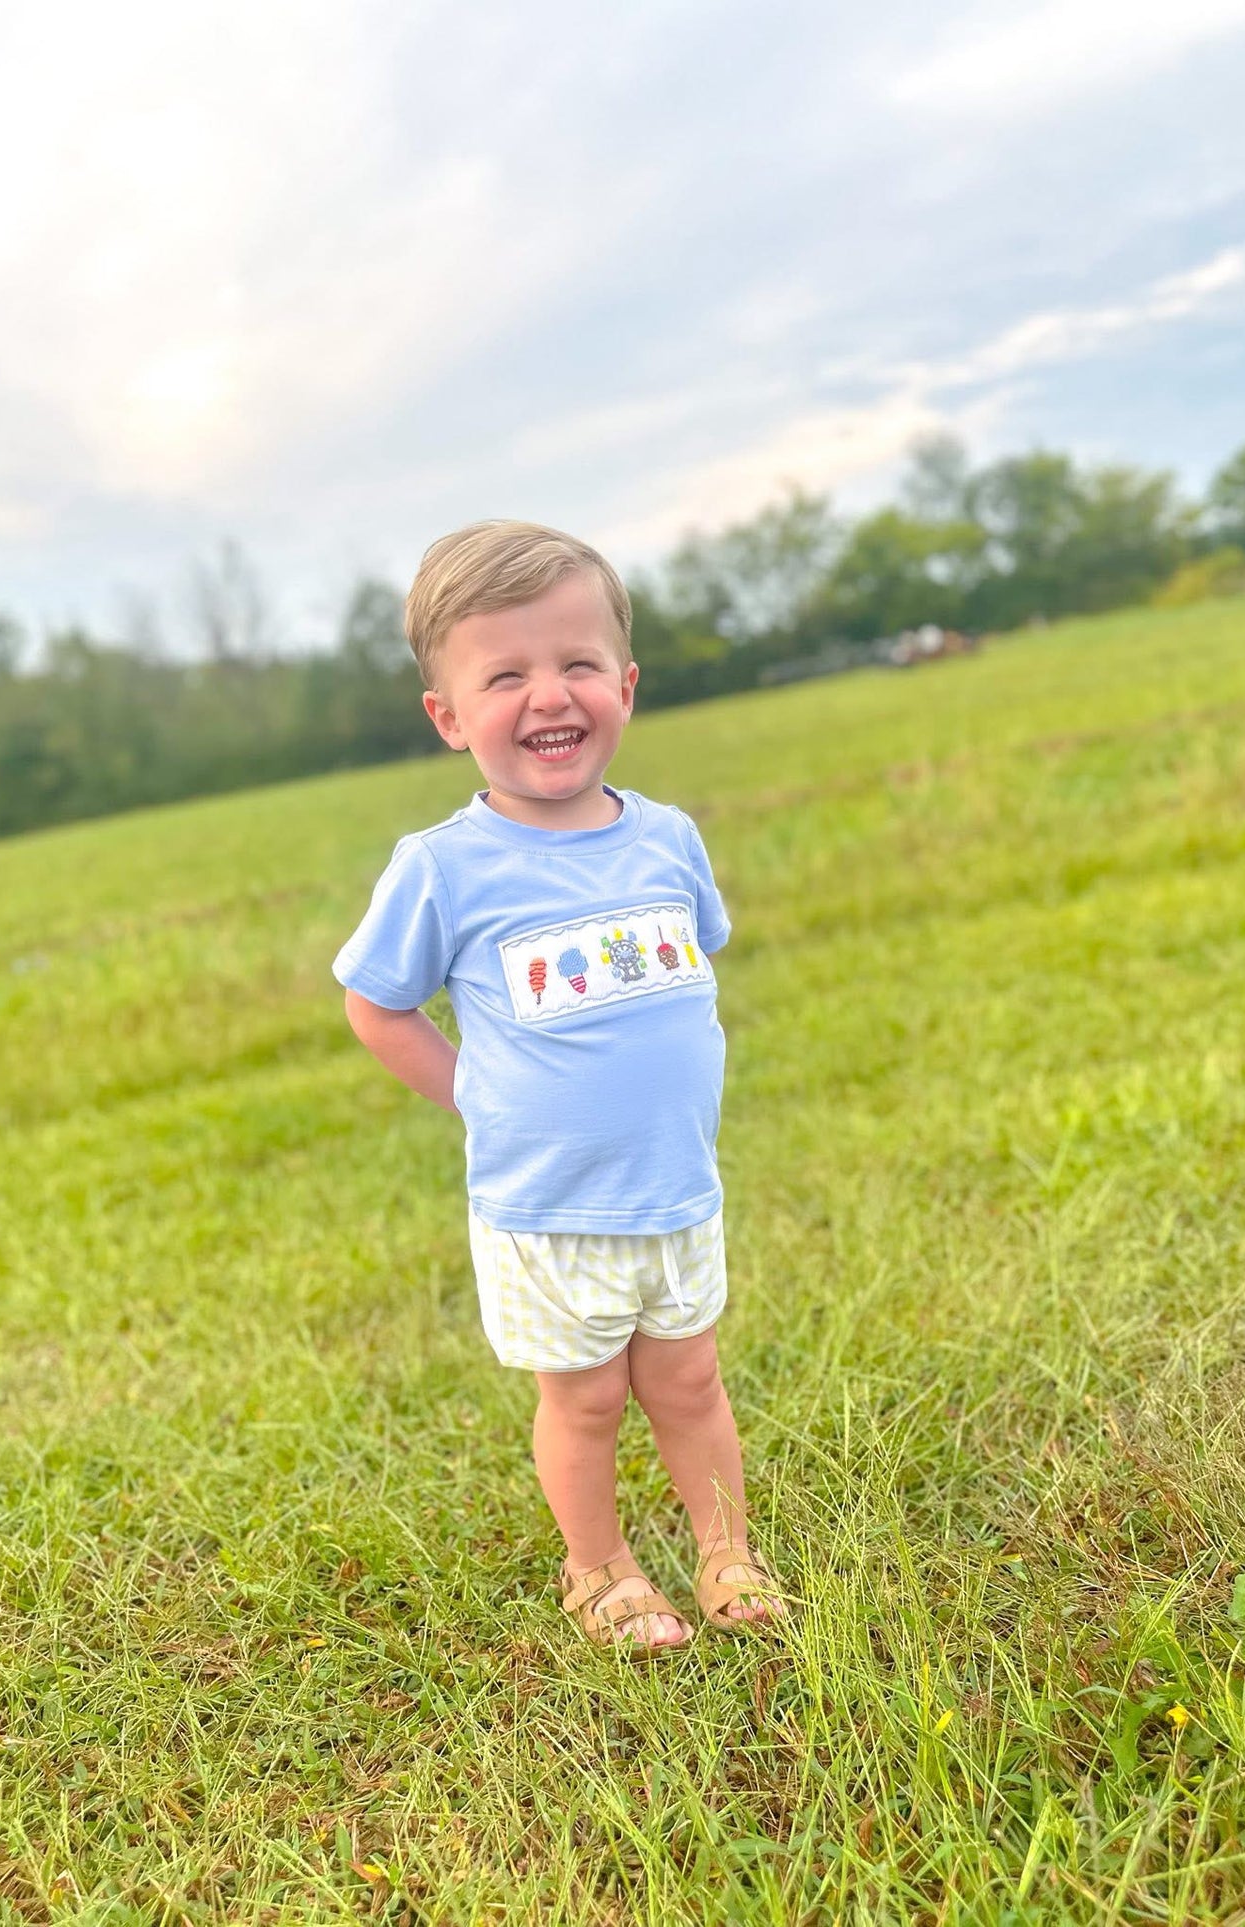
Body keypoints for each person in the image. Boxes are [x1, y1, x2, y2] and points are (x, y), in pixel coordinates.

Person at [333, 521, 786, 1657]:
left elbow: (691, 967)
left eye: (578, 663)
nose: (551, 694)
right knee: (584, 1401)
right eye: (506, 675)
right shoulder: (444, 866)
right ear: (447, 716)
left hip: (677, 1185)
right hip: (547, 1204)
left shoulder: (668, 838)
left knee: (688, 1381)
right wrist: (477, 1094)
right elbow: (375, 1003)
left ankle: (724, 1546)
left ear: (624, 685)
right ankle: (599, 1569)